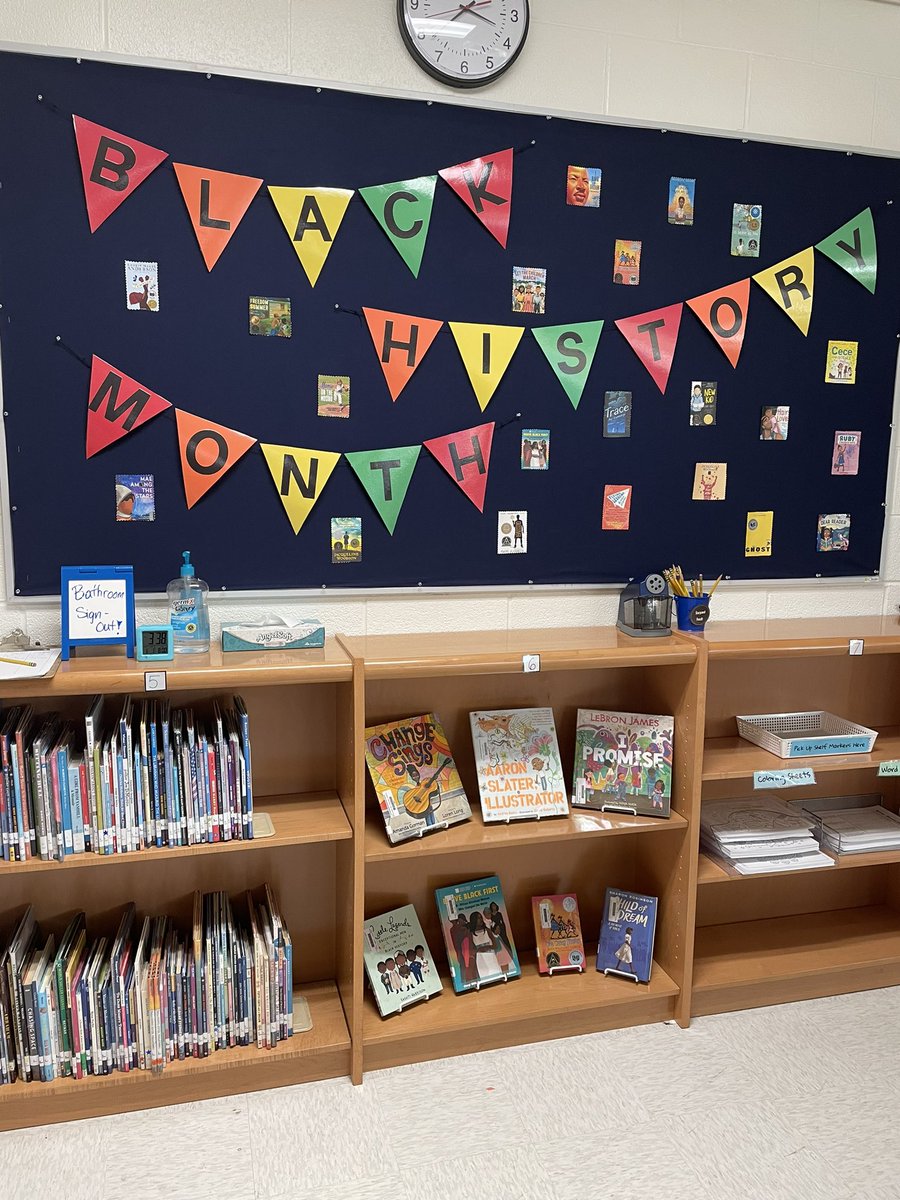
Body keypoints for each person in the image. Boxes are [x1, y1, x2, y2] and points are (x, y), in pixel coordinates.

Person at [469, 911, 501, 980]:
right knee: (484, 975)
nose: (480, 919)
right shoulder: (471, 934)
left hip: (490, 956)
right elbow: (472, 950)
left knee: (495, 974)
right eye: (478, 918)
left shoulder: (487, 930)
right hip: (480, 958)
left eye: (481, 917)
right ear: (474, 920)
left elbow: (495, 946)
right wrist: (479, 950)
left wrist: (486, 947)